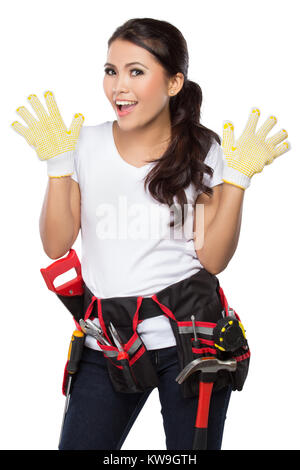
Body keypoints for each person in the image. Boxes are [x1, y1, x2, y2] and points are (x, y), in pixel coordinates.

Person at [11, 17, 290, 451]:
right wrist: (58, 166)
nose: (118, 86)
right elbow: (55, 244)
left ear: (174, 82)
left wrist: (237, 182)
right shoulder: (81, 145)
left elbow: (212, 259)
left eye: (136, 71)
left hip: (190, 342)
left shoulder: (203, 150)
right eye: (111, 70)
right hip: (109, 343)